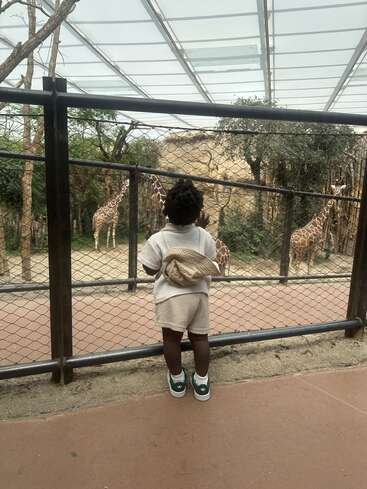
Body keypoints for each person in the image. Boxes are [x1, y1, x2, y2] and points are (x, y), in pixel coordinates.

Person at [138, 178, 218, 401]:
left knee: (171, 341)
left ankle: (177, 379)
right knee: (201, 340)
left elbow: (149, 268)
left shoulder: (158, 239)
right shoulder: (204, 235)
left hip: (171, 298)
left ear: (167, 210)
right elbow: (209, 259)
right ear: (197, 213)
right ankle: (201, 381)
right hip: (199, 295)